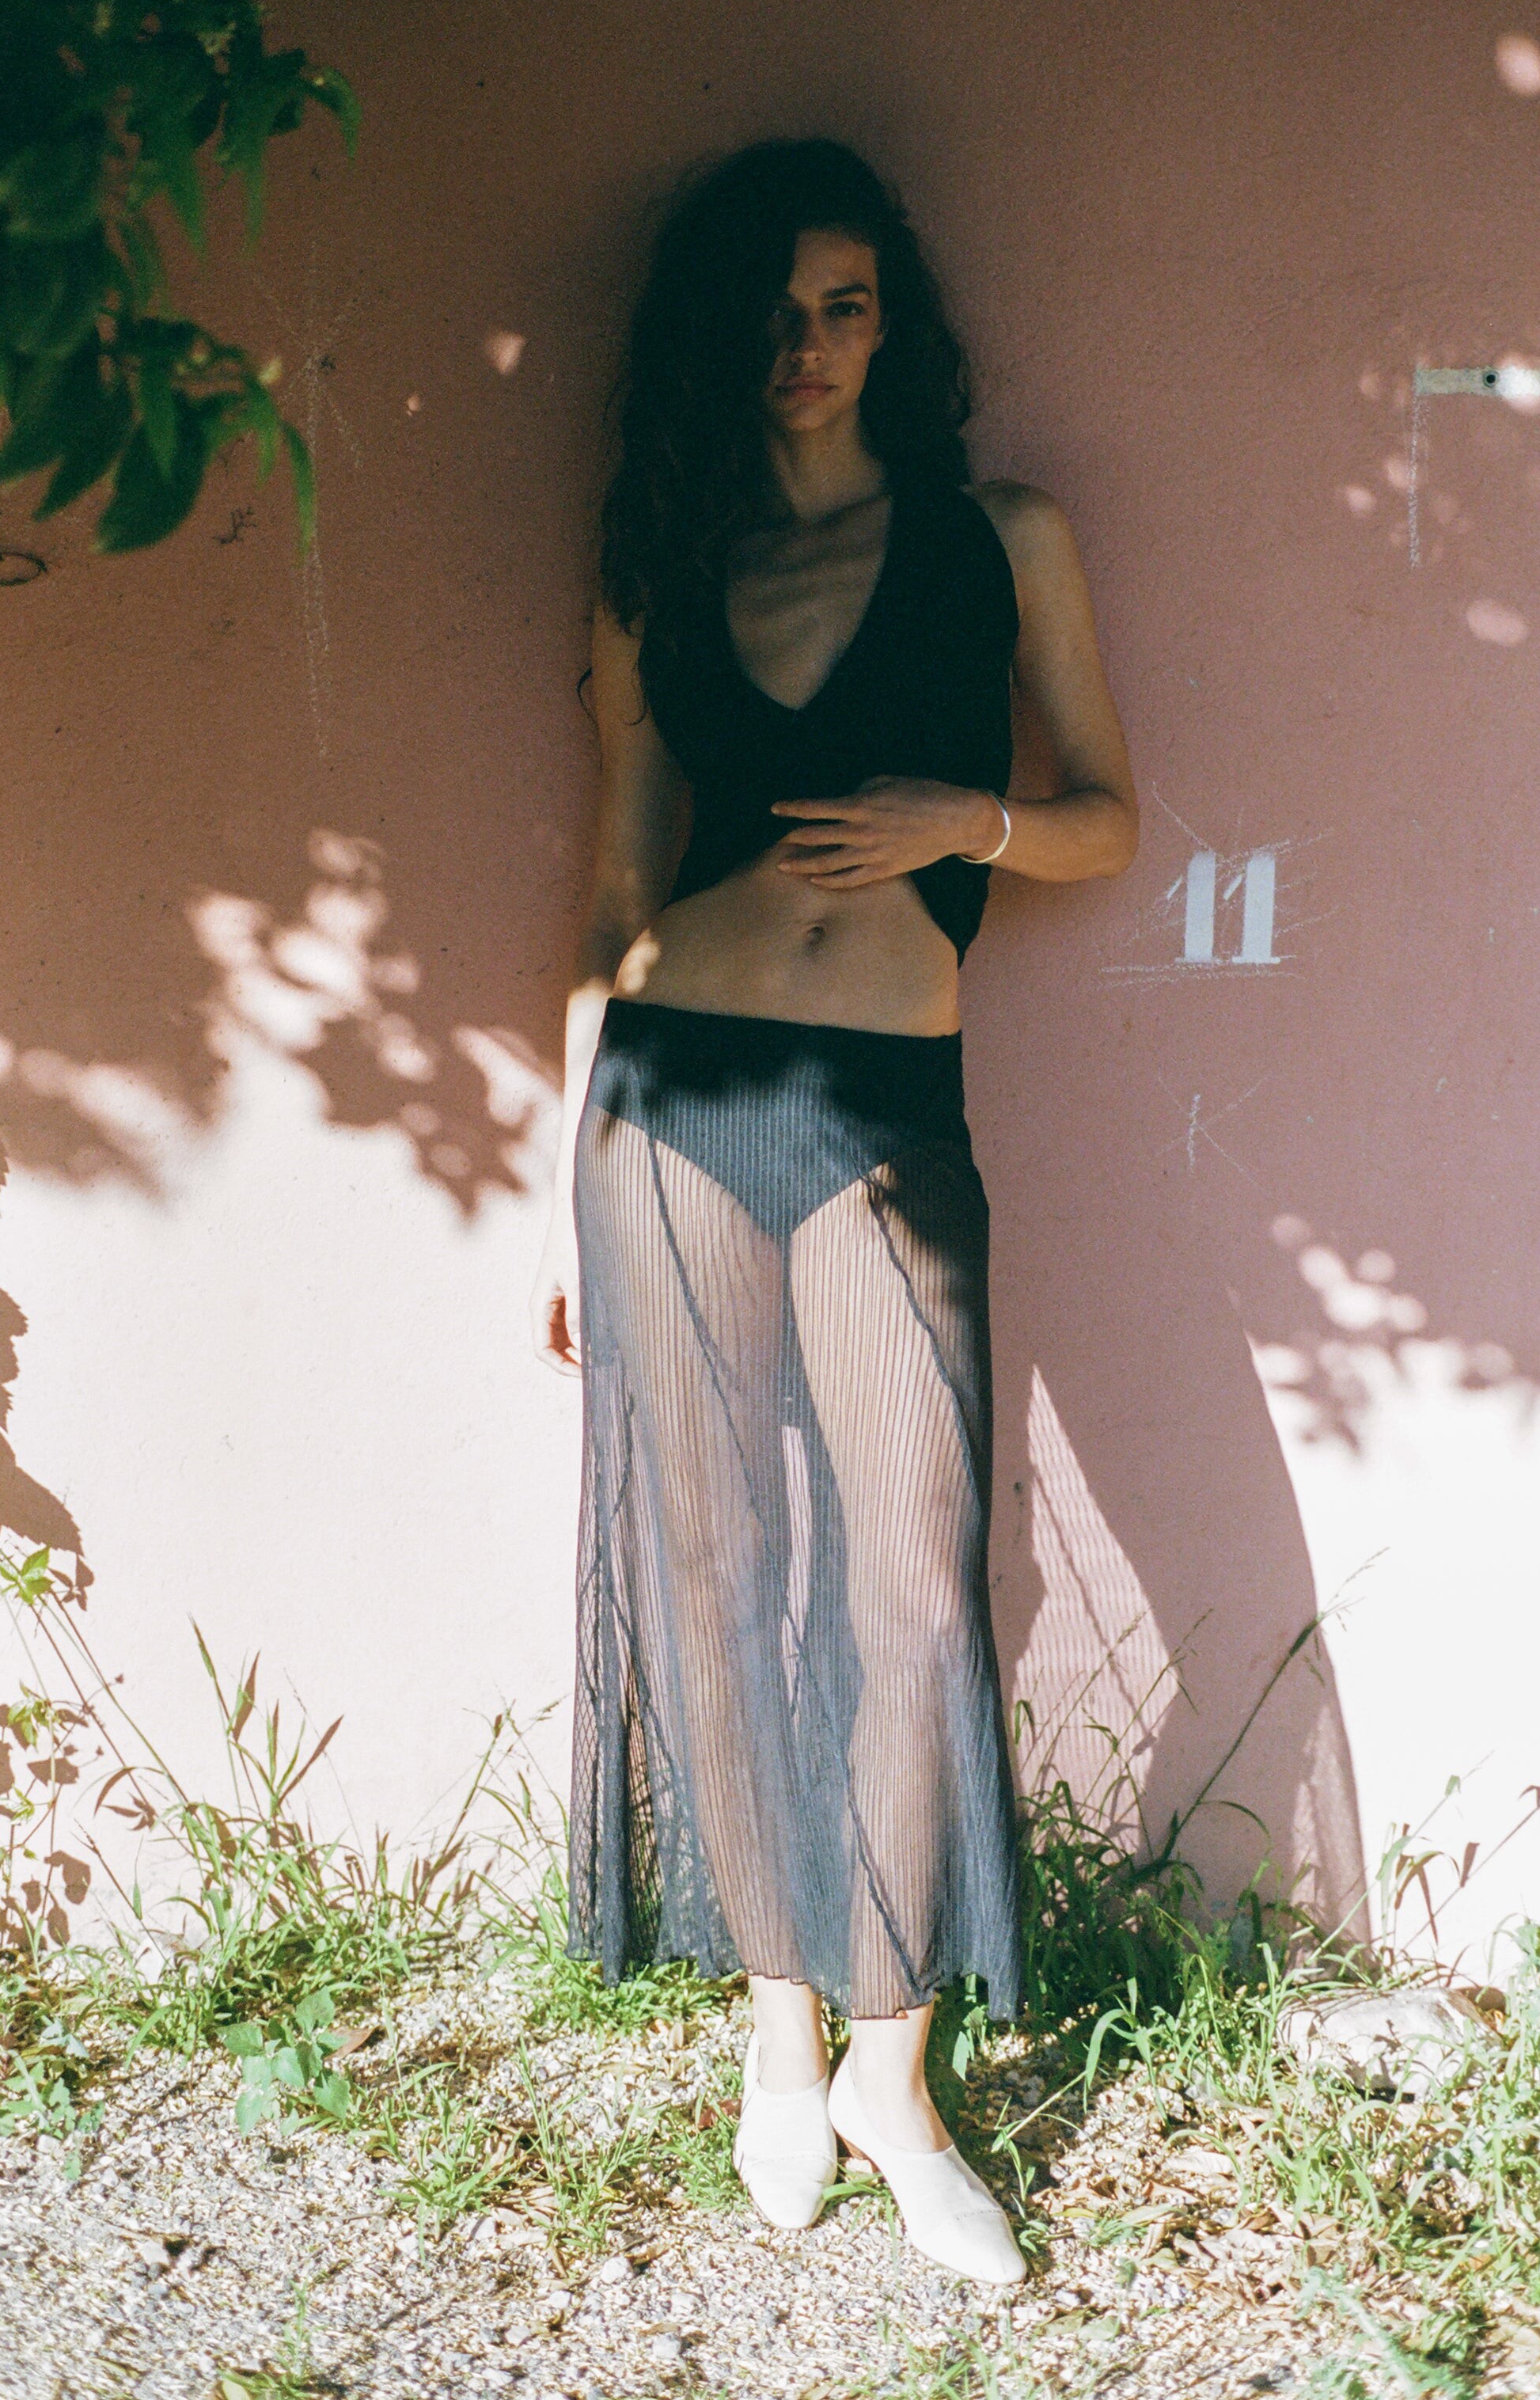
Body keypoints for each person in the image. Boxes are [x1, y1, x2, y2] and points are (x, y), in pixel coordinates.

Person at [532, 139, 1136, 2283]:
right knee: (709, 1572)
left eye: (845, 305)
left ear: (896, 326)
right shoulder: (659, 558)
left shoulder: (1000, 537)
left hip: (887, 1095)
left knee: (913, 1587)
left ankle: (897, 2068)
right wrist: (548, 1178)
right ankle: (778, 2038)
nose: (808, 345)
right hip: (669, 1101)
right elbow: (617, 881)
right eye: (774, 312)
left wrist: (963, 816)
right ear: (723, 334)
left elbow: (1108, 816)